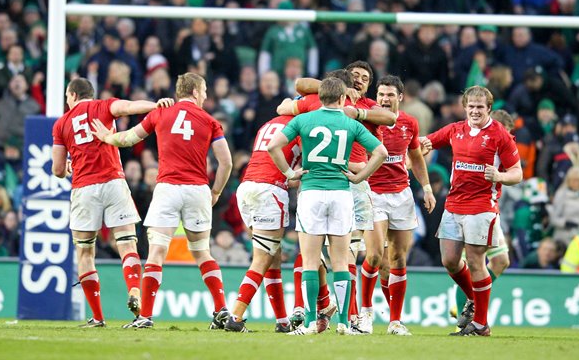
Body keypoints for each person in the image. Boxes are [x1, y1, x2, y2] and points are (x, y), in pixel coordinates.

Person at [90, 72, 233, 329]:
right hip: (198, 190)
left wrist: (106, 138)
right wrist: (216, 192)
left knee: (156, 251)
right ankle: (221, 308)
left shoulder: (160, 113)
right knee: (202, 253)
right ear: (197, 92)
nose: (206, 96)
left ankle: (145, 316)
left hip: (168, 188)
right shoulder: (210, 121)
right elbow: (226, 162)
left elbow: (128, 139)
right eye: (204, 91)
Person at [267, 76, 388, 335]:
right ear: (343, 98)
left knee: (310, 261)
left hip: (311, 192)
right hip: (341, 194)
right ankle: (344, 322)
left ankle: (311, 323)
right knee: (341, 261)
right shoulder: (350, 122)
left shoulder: (303, 119)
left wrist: (289, 173)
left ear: (320, 97)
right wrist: (360, 176)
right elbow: (381, 152)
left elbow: (273, 146)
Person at [51, 77, 173, 328]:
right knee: (127, 245)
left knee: (85, 252)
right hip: (114, 182)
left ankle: (97, 317)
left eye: (66, 96)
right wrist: (156, 105)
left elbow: (57, 169)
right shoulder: (103, 106)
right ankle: (135, 292)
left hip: (84, 188)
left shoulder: (61, 124)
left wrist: (68, 168)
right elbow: (128, 107)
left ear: (72, 95)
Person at [420, 85, 523, 336]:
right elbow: (429, 140)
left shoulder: (500, 135)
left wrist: (499, 175)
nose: (475, 111)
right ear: (465, 107)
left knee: (477, 262)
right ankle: (475, 301)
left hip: (481, 206)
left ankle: (480, 323)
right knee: (450, 261)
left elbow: (517, 173)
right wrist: (421, 145)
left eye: (480, 107)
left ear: (489, 108)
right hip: (454, 204)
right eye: (471, 106)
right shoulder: (456, 130)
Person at [359, 75, 436, 336]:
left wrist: (426, 188)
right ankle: (366, 314)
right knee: (374, 256)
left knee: (398, 259)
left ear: (400, 97)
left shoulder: (409, 123)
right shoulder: (367, 118)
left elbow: (415, 156)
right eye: (381, 94)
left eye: (390, 94)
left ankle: (395, 321)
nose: (384, 99)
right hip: (373, 193)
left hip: (401, 195)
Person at [224, 114, 301, 333]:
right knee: (262, 258)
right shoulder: (300, 125)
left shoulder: (268, 123)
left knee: (272, 258)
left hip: (247, 188)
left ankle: (282, 322)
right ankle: (236, 316)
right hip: (270, 190)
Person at [450, 109, 515, 325]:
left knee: (501, 260)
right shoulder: (475, 141)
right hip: (473, 207)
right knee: (473, 262)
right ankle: (466, 309)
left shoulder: (504, 144)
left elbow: (513, 173)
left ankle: (471, 301)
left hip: (489, 208)